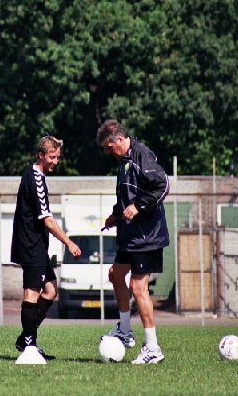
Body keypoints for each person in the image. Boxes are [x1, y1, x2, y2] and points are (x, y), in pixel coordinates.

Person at [97, 119, 170, 364]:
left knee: (138, 288)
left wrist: (137, 207)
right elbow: (127, 197)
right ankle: (125, 331)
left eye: (109, 147)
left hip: (147, 236)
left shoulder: (141, 155)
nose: (109, 152)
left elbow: (162, 184)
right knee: (116, 275)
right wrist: (116, 215)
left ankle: (152, 348)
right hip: (131, 235)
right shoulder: (124, 162)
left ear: (119, 139)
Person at [11, 136, 81, 360]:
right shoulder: (35, 179)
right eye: (52, 157)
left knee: (50, 290)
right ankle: (30, 346)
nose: (55, 161)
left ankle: (25, 338)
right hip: (31, 245)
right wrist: (68, 242)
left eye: (57, 157)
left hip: (37, 246)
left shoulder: (36, 175)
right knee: (31, 293)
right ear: (40, 155)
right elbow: (47, 220)